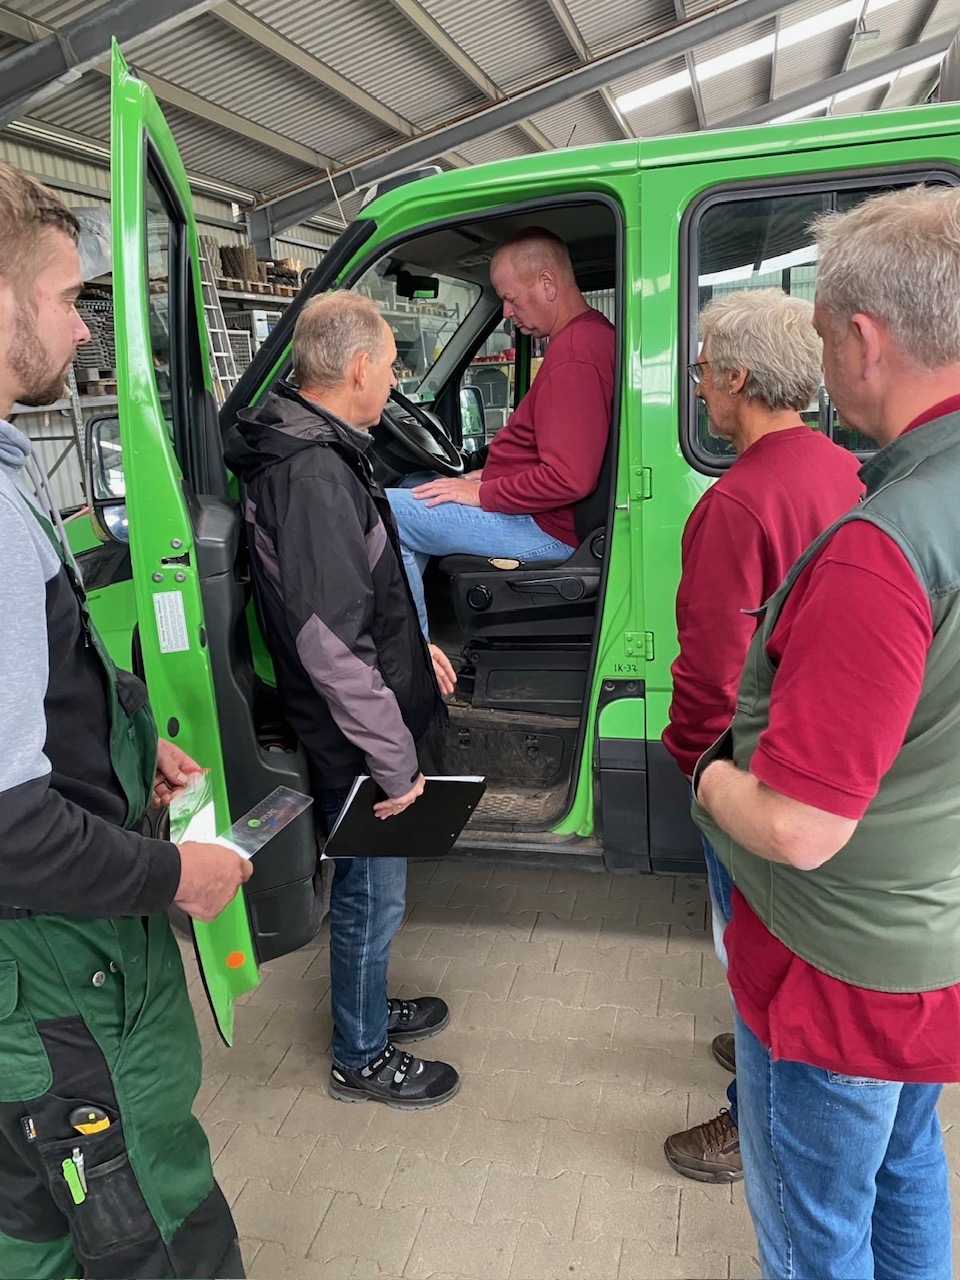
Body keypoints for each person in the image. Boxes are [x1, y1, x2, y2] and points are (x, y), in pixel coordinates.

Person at [692, 183, 960, 1280]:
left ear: (863, 337)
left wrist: (710, 777)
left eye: (821, 335)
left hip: (841, 965)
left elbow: (801, 826)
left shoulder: (886, 543)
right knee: (906, 1164)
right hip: (930, 927)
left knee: (814, 1233)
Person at [0, 162, 252, 1278]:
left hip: (28, 978)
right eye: (66, 297)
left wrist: (125, 743)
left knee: (32, 1218)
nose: (81, 326)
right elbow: (10, 825)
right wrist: (175, 877)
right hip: (60, 968)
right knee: (152, 1217)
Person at [224, 290, 461, 1108]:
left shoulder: (319, 448)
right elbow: (330, 644)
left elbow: (357, 592)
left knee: (377, 889)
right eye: (391, 367)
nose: (395, 381)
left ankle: (367, 1002)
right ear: (359, 367)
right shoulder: (313, 475)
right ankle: (359, 1056)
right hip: (356, 738)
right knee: (369, 889)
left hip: (365, 713)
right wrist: (395, 763)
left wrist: (415, 648)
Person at [661, 289, 863, 1184]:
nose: (700, 384)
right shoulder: (847, 472)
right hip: (825, 767)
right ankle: (757, 1050)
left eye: (704, 369)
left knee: (752, 953)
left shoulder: (737, 504)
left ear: (738, 378)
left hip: (754, 778)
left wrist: (699, 770)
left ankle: (754, 1117)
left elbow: (711, 676)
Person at [386, 227, 616, 637]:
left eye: (510, 298)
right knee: (418, 486)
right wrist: (486, 477)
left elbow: (569, 478)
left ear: (547, 283)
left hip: (545, 529)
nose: (507, 312)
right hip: (542, 516)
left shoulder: (574, 356)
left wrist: (482, 493)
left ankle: (414, 658)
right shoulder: (588, 335)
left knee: (380, 511)